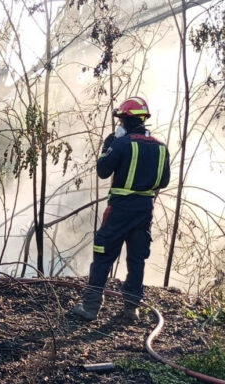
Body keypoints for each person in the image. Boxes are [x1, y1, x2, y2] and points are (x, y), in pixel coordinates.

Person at [73, 97, 171, 321]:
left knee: (103, 254)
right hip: (145, 211)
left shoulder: (121, 144)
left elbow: (103, 171)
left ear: (125, 120)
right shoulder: (161, 148)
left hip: (119, 210)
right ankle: (131, 309)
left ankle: (90, 307)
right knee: (137, 259)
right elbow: (163, 182)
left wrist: (107, 147)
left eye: (120, 120)